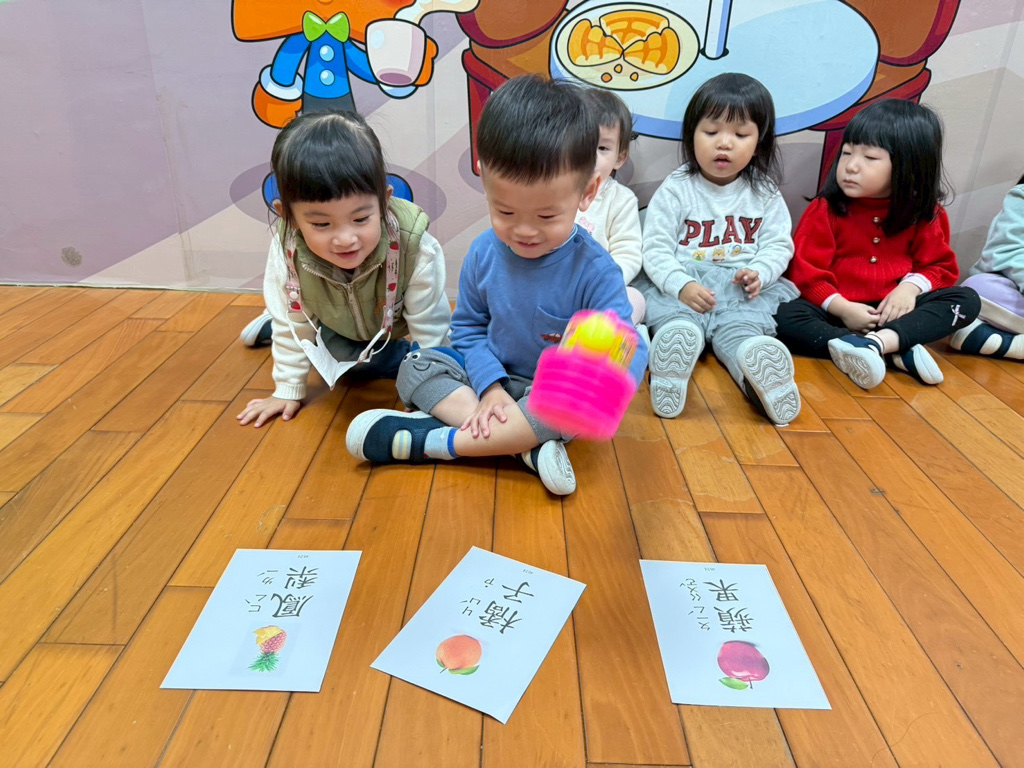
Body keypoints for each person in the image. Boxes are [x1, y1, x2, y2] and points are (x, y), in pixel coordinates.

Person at [344, 75, 649, 495]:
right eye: (505, 212)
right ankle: (522, 448)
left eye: (546, 216)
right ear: (485, 179)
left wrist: (606, 366)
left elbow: (624, 351)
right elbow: (468, 330)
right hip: (486, 381)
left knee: (571, 405)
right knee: (416, 365)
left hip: (546, 395)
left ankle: (438, 443)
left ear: (588, 192)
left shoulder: (596, 271)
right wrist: (490, 388)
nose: (524, 231)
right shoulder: (484, 252)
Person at [237, 110, 450, 427]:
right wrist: (287, 389)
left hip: (388, 329)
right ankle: (274, 319)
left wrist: (437, 392)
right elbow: (294, 327)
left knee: (437, 352)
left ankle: (287, 321)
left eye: (361, 219)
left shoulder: (415, 246)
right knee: (335, 355)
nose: (345, 239)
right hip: (333, 326)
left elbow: (430, 327)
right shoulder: (288, 251)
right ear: (289, 217)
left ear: (384, 201)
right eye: (321, 224)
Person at [635, 72, 801, 426]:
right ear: (691, 135)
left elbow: (778, 245)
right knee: (676, 319)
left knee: (741, 329)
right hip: (685, 285)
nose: (724, 144)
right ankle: (672, 360)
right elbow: (655, 248)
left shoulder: (764, 192)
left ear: (759, 141)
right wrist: (681, 285)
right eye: (711, 132)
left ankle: (755, 369)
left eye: (740, 135)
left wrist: (760, 273)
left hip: (739, 289)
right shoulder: (677, 188)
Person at [776, 99, 979, 388]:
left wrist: (908, 289)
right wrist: (844, 309)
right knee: (782, 314)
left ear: (909, 165)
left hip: (895, 313)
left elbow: (940, 267)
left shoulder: (925, 213)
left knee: (966, 300)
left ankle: (877, 344)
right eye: (847, 153)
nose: (850, 166)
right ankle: (889, 348)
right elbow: (805, 273)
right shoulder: (825, 209)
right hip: (835, 312)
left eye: (870, 158)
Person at [575, 87, 646, 332]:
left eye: (602, 148)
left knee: (635, 298)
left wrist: (602, 283)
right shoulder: (552, 189)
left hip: (602, 289)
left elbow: (628, 253)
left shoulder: (621, 200)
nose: (589, 156)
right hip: (557, 287)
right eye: (580, 144)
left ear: (620, 157)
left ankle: (622, 335)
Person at [950, 173, 1024, 358]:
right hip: (1012, 292)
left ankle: (1000, 342)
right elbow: (1006, 252)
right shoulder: (1021, 197)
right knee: (976, 288)